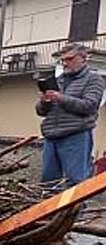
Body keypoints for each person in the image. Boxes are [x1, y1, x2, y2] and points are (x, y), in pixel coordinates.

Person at [37, 42, 105, 188]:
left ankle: (77, 211)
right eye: (63, 60)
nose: (66, 63)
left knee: (76, 182)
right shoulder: (58, 80)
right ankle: (51, 211)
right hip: (51, 137)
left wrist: (60, 98)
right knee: (48, 183)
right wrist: (44, 101)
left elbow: (90, 106)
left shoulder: (94, 80)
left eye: (70, 59)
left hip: (76, 135)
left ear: (83, 58)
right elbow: (40, 111)